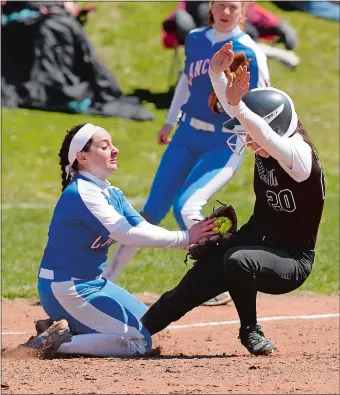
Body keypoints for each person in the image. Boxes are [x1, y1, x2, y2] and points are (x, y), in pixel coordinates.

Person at [139, 42, 325, 356]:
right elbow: (236, 111)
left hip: (291, 260)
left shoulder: (298, 154)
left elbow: (262, 133)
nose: (245, 138)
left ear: (273, 125)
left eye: (248, 129)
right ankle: (134, 333)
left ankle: (250, 331)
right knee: (194, 282)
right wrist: (215, 73)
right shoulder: (265, 146)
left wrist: (240, 109)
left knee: (239, 261)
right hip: (255, 239)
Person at [103, 1, 270, 307]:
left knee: (186, 206)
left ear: (242, 10)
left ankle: (218, 279)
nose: (225, 11)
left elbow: (264, 99)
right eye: (220, 4)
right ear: (211, 7)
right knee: (150, 212)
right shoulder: (194, 38)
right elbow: (185, 80)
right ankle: (104, 281)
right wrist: (170, 120)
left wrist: (262, 140)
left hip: (223, 143)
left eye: (233, 6)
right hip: (186, 135)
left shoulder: (251, 50)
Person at [22, 123, 218, 358]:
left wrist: (192, 238)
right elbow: (125, 234)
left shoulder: (110, 192)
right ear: (82, 157)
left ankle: (63, 325)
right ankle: (57, 342)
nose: (115, 150)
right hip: (66, 289)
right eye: (105, 146)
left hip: (91, 284)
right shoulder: (82, 193)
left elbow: (141, 227)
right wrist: (184, 238)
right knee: (138, 341)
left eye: (112, 144)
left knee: (145, 320)